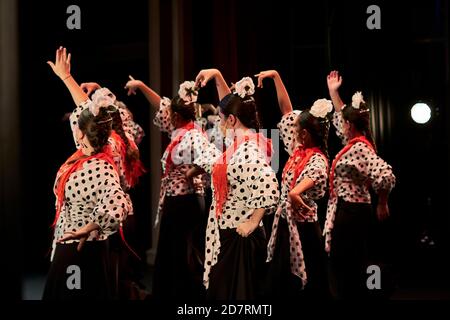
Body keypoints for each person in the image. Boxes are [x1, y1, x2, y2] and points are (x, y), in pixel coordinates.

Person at [43, 47, 132, 300]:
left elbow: (119, 204)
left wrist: (91, 226)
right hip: (72, 243)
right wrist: (66, 77)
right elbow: (85, 108)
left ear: (80, 133)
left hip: (80, 248)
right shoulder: (107, 143)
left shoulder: (100, 165)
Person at [192, 69, 280, 300]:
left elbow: (269, 184)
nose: (218, 124)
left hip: (239, 237)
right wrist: (218, 76)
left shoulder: (248, 148)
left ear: (231, 120)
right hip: (229, 232)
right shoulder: (240, 140)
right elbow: (229, 105)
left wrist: (254, 220)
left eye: (221, 119)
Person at [125, 77, 210, 299]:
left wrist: (192, 172)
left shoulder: (193, 134)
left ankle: (185, 297)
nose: (168, 115)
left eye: (172, 114)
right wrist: (142, 86)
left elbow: (212, 157)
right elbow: (161, 104)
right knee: (172, 251)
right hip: (177, 200)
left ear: (178, 116)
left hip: (186, 201)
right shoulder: (180, 130)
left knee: (181, 254)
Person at [256, 70, 331, 299]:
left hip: (305, 231)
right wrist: (277, 77)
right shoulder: (297, 150)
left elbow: (305, 184)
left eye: (297, 128)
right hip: (287, 226)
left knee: (305, 286)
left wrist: (296, 193)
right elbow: (287, 112)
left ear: (305, 134)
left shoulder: (317, 159)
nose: (292, 128)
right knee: (280, 284)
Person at [324, 70, 396, 299]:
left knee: (348, 263)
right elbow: (341, 114)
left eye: (344, 122)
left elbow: (385, 175)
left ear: (349, 125)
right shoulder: (353, 142)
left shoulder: (361, 148)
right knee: (344, 262)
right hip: (347, 209)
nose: (340, 125)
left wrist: (382, 203)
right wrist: (333, 93)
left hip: (353, 211)